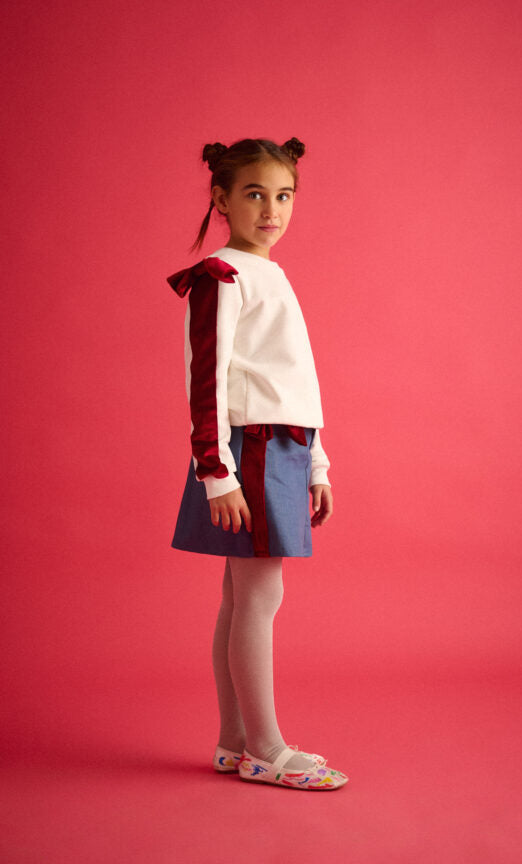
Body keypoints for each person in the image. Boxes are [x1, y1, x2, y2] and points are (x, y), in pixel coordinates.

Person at [167, 137, 348, 791]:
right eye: (254, 194)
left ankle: (235, 741)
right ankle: (266, 748)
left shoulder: (271, 273)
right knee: (259, 596)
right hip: (252, 449)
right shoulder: (222, 275)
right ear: (221, 199)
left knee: (241, 596)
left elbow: (295, 379)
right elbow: (206, 380)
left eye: (283, 195)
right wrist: (216, 472)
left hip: (284, 447)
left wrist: (317, 463)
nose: (271, 210)